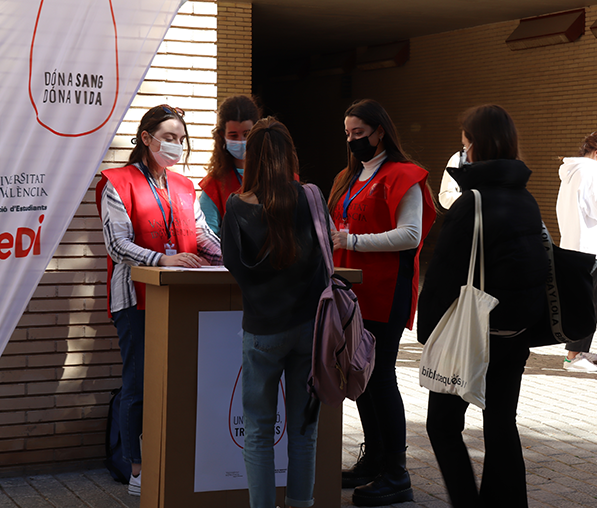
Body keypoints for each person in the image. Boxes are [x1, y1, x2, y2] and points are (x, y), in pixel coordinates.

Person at [418, 104, 547, 507]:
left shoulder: (469, 202)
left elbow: (442, 276)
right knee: (501, 423)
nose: (463, 150)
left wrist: (428, 335)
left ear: (475, 146)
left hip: (470, 335)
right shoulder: (526, 198)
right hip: (515, 333)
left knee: (442, 425)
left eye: (465, 142)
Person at [96, 105, 223, 496]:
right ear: (146, 138)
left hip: (180, 298)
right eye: (169, 137)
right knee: (139, 383)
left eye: (181, 139)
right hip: (135, 299)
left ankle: (177, 456)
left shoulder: (185, 186)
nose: (176, 146)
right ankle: (137, 467)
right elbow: (117, 244)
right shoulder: (117, 181)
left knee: (182, 381)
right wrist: (162, 259)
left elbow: (200, 235)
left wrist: (233, 259)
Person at [329, 99, 436, 506]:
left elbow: (410, 234)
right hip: (349, 292)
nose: (352, 141)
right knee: (360, 379)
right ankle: (373, 460)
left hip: (385, 291)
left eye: (359, 133)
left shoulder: (405, 176)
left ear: (380, 132)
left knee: (380, 377)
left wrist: (354, 242)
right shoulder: (347, 176)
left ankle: (397, 472)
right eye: (347, 134)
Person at [221, 118, 328, 508]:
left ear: (250, 158)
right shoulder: (311, 197)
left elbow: (232, 262)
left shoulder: (236, 205)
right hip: (308, 330)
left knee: (258, 432)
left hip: (262, 330)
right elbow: (323, 257)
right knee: (304, 429)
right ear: (290, 156)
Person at [555, 131, 597, 372]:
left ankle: (579, 351)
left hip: (575, 244)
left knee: (582, 301)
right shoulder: (589, 172)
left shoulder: (572, 172)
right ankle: (574, 357)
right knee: (586, 304)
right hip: (588, 248)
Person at [199, 95, 261, 235]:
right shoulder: (213, 185)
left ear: (258, 131)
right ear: (222, 135)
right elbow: (208, 237)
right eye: (233, 135)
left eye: (247, 134)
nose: (241, 140)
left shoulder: (280, 176)